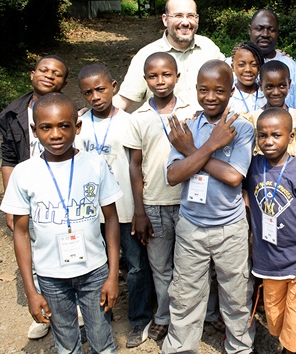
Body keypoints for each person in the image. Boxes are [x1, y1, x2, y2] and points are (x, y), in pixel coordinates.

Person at [1, 93, 122, 353]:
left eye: (64, 125)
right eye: (46, 127)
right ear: (35, 130)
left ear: (77, 127)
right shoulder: (24, 173)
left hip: (95, 271)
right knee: (66, 343)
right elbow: (20, 234)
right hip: (50, 276)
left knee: (102, 340)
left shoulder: (95, 165)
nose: (55, 134)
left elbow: (111, 219)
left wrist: (113, 274)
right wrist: (31, 291)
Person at [162, 59, 255, 353]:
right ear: (196, 90)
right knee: (185, 294)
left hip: (230, 229)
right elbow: (174, 175)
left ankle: (239, 347)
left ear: (231, 91)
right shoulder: (187, 127)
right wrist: (208, 146)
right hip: (191, 226)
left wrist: (194, 152)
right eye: (204, 90)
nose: (210, 97)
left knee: (236, 294)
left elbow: (232, 176)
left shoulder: (241, 128)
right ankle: (180, 348)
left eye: (218, 90)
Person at [75, 63, 154, 348]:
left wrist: (139, 209)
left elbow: (138, 166)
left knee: (135, 266)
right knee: (96, 267)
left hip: (125, 208)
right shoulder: (80, 125)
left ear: (114, 87)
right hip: (92, 212)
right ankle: (99, 320)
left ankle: (140, 319)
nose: (95, 96)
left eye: (100, 89)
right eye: (88, 92)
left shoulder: (129, 121)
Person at [244, 107, 296, 353]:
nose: (268, 141)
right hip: (268, 263)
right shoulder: (253, 166)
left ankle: (291, 349)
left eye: (276, 135)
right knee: (275, 317)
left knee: (295, 323)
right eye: (262, 135)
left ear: (291, 137)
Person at [123, 52, 196, 342]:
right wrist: (139, 210)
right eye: (153, 76)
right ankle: (163, 316)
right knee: (160, 266)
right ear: (145, 80)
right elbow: (134, 164)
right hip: (154, 204)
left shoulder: (192, 110)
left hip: (189, 200)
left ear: (177, 76)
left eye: (166, 74)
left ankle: (192, 316)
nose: (160, 80)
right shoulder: (138, 117)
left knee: (190, 264)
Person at [0, 54, 69, 340]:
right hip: (30, 189)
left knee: (62, 239)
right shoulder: (12, 114)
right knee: (33, 246)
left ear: (64, 82)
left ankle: (71, 303)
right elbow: (8, 159)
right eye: (43, 70)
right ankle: (43, 308)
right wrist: (10, 203)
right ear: (32, 73)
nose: (49, 75)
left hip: (63, 188)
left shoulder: (69, 110)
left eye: (57, 73)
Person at [113, 0, 224, 110]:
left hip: (208, 125)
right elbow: (124, 99)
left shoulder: (208, 47)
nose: (185, 22)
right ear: (165, 20)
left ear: (197, 19)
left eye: (190, 16)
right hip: (165, 126)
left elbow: (230, 82)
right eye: (178, 16)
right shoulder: (147, 55)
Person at [241, 60, 296, 161]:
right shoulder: (251, 119)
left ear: (289, 84)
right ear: (261, 86)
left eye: (282, 85)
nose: (276, 92)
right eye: (269, 87)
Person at [248, 9, 296, 111]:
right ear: (250, 30)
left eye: (271, 29)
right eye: (259, 29)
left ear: (278, 33)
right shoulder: (234, 65)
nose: (265, 34)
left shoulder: (290, 66)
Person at [229, 41, 266, 114]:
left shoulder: (266, 93)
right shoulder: (228, 96)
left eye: (254, 64)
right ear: (232, 67)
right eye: (241, 65)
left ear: (259, 67)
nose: (248, 69)